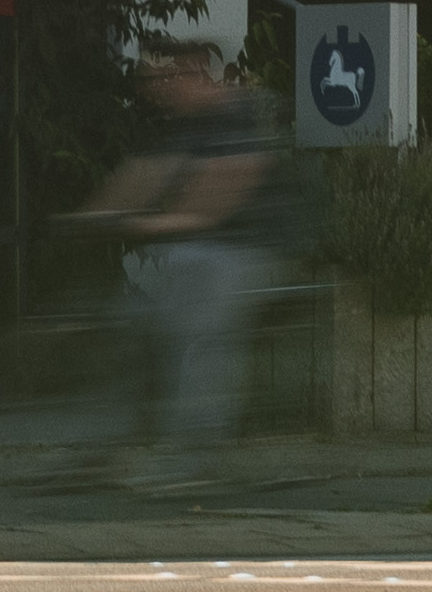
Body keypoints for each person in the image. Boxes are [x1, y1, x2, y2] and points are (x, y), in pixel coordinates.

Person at [61, 42, 282, 453]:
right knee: (128, 324)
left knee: (199, 340)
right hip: (195, 249)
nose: (166, 87)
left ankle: (193, 454)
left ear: (202, 74)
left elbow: (221, 192)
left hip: (244, 248)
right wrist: (93, 214)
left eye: (175, 76)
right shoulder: (184, 124)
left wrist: (155, 221)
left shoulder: (237, 116)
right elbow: (145, 173)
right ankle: (105, 445)